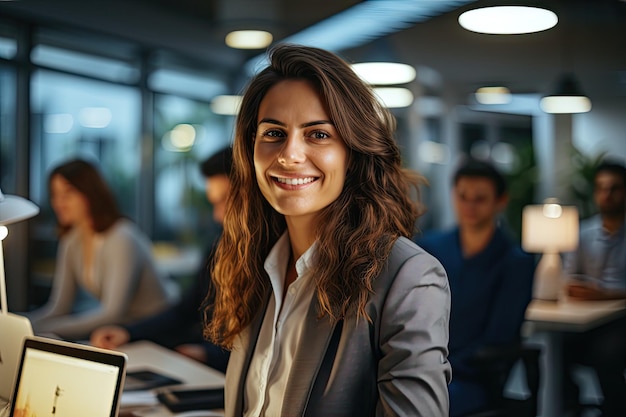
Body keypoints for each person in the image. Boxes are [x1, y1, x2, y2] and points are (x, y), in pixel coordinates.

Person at [203, 44, 451, 417]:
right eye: (273, 133)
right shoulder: (253, 263)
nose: (289, 155)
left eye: (318, 135)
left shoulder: (408, 277)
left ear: (353, 151)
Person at [90, 148, 232, 372]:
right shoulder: (220, 248)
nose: (217, 215)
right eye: (214, 203)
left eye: (225, 201)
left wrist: (208, 354)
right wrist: (128, 332)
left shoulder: (274, 258)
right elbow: (185, 310)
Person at [414, 157, 535, 417]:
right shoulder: (429, 248)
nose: (469, 206)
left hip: (469, 378)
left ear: (500, 201)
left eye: (480, 198)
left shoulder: (515, 262)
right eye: (463, 196)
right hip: (416, 367)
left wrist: (438, 367)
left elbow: (499, 335)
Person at [26, 159, 178, 341]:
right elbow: (59, 307)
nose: (59, 202)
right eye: (55, 194)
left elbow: (112, 313)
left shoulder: (121, 237)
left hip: (158, 329)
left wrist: (36, 331)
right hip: (122, 332)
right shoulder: (71, 241)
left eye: (68, 194)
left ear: (89, 193)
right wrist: (22, 324)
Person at [562, 160, 626, 417]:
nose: (606, 195)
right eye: (601, 188)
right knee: (555, 348)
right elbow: (568, 276)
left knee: (607, 354)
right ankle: (568, 407)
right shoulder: (582, 233)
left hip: (621, 318)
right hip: (588, 318)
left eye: (614, 188)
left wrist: (604, 295)